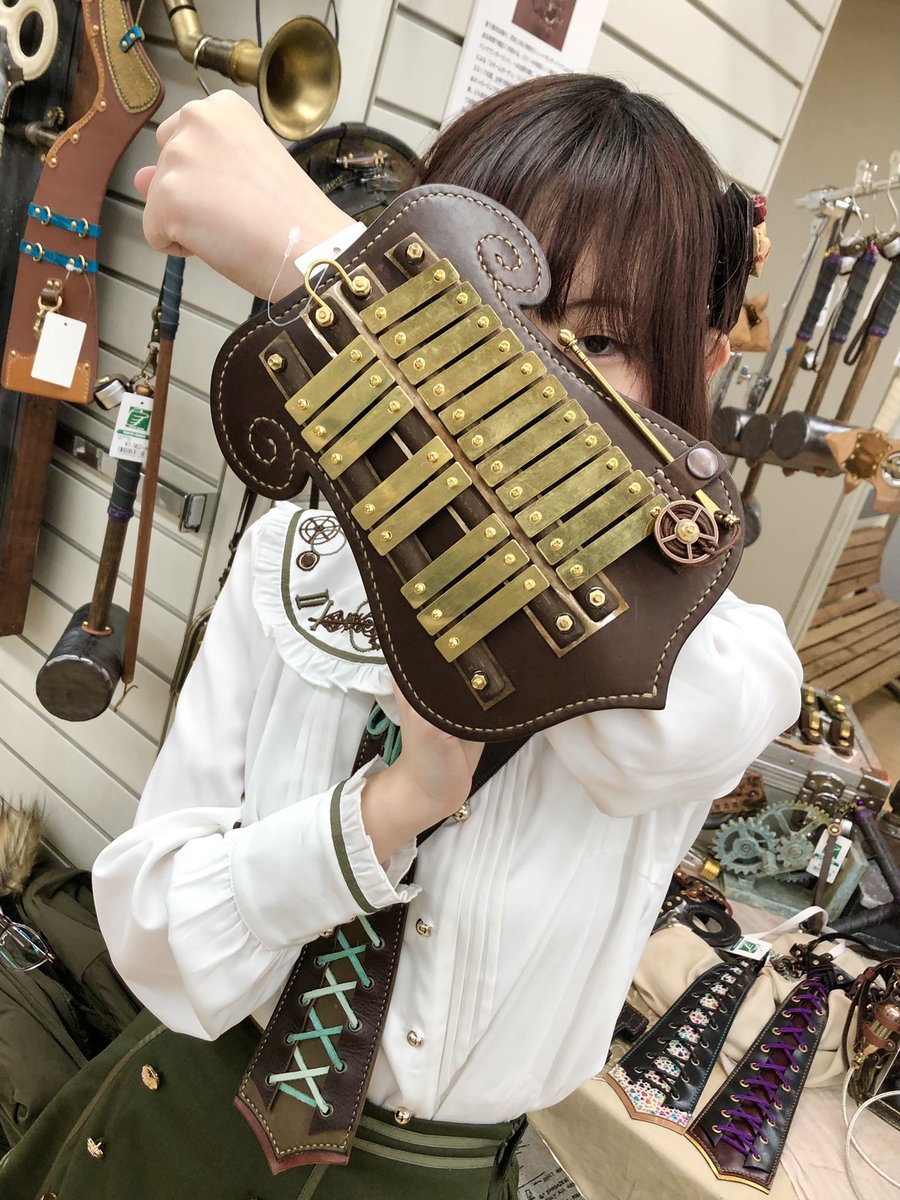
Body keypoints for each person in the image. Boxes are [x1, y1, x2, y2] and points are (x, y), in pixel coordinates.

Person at [0, 75, 801, 1200]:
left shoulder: (722, 659)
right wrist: (378, 818)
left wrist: (325, 263)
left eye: (602, 341)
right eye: (478, 306)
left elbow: (649, 708)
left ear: (701, 365)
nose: (526, 371)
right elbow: (154, 932)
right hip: (177, 1120)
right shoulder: (294, 558)